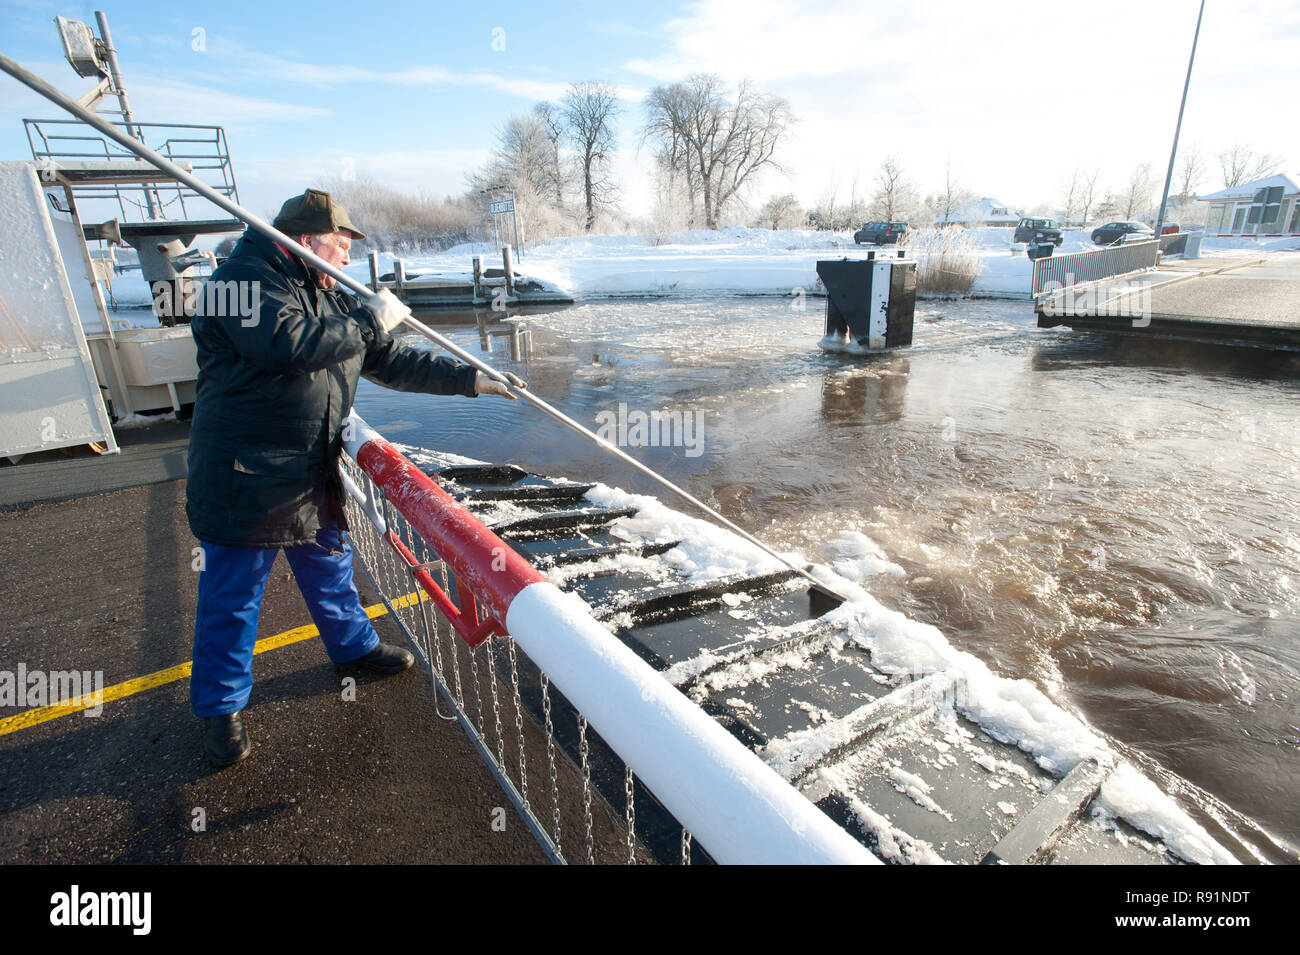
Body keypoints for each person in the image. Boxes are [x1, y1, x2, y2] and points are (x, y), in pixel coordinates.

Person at [186, 188, 524, 767]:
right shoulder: (238, 285)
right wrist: (368, 318)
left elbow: (389, 359)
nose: (345, 260)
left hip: (308, 464)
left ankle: (354, 650)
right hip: (246, 473)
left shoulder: (323, 290)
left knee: (328, 564)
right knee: (234, 595)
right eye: (340, 247)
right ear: (307, 242)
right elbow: (288, 346)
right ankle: (220, 708)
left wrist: (471, 379)